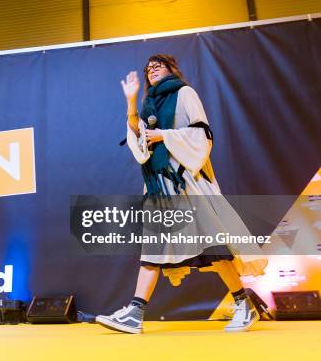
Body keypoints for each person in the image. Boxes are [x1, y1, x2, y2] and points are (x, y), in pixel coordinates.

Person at [96, 54, 267, 334]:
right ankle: (135, 312)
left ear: (171, 69)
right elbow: (139, 141)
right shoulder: (149, 104)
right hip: (159, 186)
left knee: (213, 246)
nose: (152, 70)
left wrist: (165, 136)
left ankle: (243, 304)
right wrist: (131, 100)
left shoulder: (184, 93)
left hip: (185, 181)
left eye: (158, 66)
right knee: (155, 246)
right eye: (149, 68)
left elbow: (202, 135)